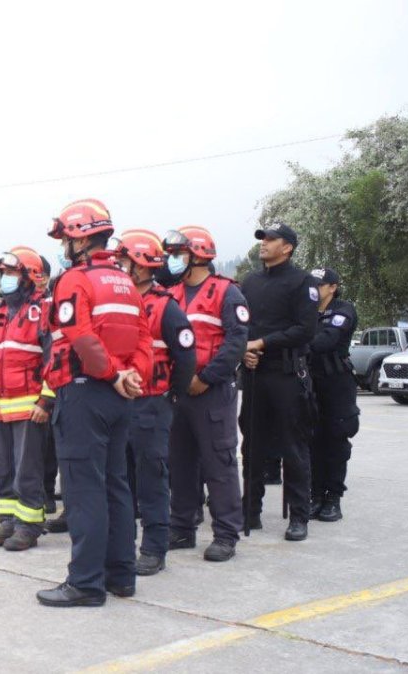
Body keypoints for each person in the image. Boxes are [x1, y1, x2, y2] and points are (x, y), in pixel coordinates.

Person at [35, 199, 152, 608]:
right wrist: (130, 376)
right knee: (116, 486)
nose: (63, 247)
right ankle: (121, 576)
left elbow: (81, 337)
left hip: (85, 392)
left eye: (66, 238)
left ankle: (85, 583)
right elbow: (144, 339)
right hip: (119, 398)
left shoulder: (74, 281)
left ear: (80, 239)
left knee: (84, 491)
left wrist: (112, 374)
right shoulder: (125, 283)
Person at [155, 227, 249, 564]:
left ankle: (225, 534)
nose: (172, 259)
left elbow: (235, 343)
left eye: (178, 253)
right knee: (179, 461)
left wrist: (206, 378)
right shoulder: (171, 293)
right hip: (178, 391)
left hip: (213, 392)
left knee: (219, 463)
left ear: (196, 254)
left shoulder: (227, 292)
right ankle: (182, 527)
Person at [110, 231, 197, 574]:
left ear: (144, 265)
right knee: (122, 478)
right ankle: (122, 546)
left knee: (152, 479)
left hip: (152, 404)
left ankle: (154, 548)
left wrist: (172, 394)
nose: (121, 266)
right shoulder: (119, 303)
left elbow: (185, 357)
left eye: (127, 260)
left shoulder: (165, 307)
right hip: (122, 404)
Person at [240, 222, 320, 542]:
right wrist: (244, 352)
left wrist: (261, 344)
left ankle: (299, 516)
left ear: (287, 247)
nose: (264, 244)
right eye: (262, 238)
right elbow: (241, 324)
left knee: (293, 447)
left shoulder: (303, 282)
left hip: (287, 374)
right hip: (255, 372)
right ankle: (250, 511)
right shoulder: (251, 282)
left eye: (271, 239)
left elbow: (305, 330)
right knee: (252, 446)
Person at [0, 248, 53, 551]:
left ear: (29, 276)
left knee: (27, 470)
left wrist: (46, 401)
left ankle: (29, 525)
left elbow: (53, 359)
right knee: (3, 469)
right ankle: (7, 521)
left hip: (29, 406)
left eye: (12, 273)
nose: (6, 279)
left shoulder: (43, 310)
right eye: (4, 274)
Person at [307, 267, 359, 522]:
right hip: (309, 381)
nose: (314, 288)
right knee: (312, 439)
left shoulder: (343, 309)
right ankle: (315, 494)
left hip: (337, 382)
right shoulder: (304, 311)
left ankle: (333, 498)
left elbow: (327, 339)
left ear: (332, 287)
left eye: (319, 284)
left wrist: (296, 340)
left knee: (336, 439)